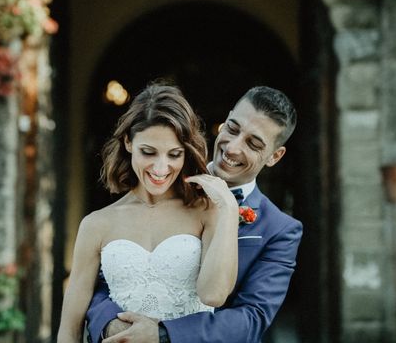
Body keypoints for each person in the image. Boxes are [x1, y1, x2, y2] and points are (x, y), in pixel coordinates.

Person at [87, 86, 303, 343]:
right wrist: (110, 323)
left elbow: (252, 318)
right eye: (232, 128)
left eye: (253, 144)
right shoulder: (161, 179)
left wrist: (162, 334)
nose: (232, 148)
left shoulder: (279, 229)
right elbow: (105, 274)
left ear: (275, 157)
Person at [57, 84, 240, 343]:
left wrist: (229, 209)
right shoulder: (96, 224)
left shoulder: (206, 212)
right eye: (149, 152)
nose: (161, 168)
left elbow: (214, 295)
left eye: (174, 154)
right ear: (129, 142)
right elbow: (69, 329)